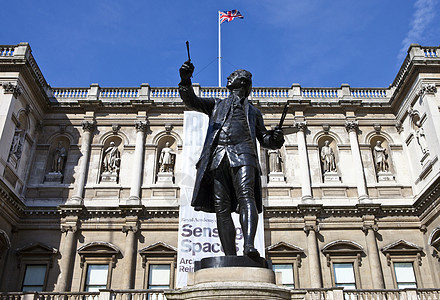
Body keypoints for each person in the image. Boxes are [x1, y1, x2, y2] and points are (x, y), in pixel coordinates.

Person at [179, 61, 284, 258]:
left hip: (245, 155)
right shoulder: (217, 104)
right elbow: (192, 101)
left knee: (247, 197)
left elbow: (265, 139)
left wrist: (276, 138)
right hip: (218, 157)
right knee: (222, 207)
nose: (229, 77)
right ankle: (230, 255)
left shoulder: (253, 112)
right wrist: (185, 80)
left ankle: (249, 246)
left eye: (234, 75)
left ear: (243, 82)